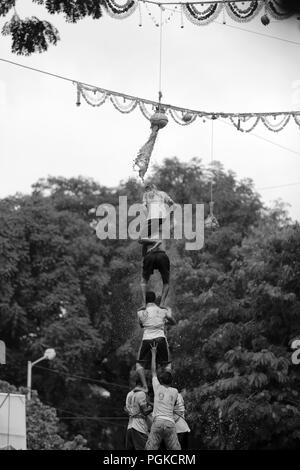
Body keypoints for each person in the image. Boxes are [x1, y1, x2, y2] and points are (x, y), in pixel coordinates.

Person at [136, 291, 175, 391]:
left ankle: (145, 386)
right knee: (167, 364)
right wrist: (166, 320)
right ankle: (168, 386)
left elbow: (141, 325)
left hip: (147, 339)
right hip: (160, 338)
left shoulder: (140, 312)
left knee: (139, 364)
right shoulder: (162, 310)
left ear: (146, 300)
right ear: (154, 300)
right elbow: (171, 320)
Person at [145, 342, 181, 450]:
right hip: (170, 423)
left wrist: (154, 353)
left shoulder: (157, 387)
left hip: (158, 423)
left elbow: (153, 371)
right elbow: (173, 404)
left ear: (161, 381)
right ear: (171, 381)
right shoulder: (175, 391)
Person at [125, 372, 152, 450]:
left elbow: (127, 410)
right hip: (139, 428)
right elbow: (145, 411)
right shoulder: (141, 394)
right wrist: (154, 407)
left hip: (129, 428)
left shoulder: (129, 394)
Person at [140, 239, 170, 308]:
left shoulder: (145, 234)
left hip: (149, 255)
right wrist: (154, 242)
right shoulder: (160, 232)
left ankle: (144, 304)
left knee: (143, 282)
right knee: (166, 282)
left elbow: (140, 241)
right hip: (162, 255)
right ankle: (162, 304)